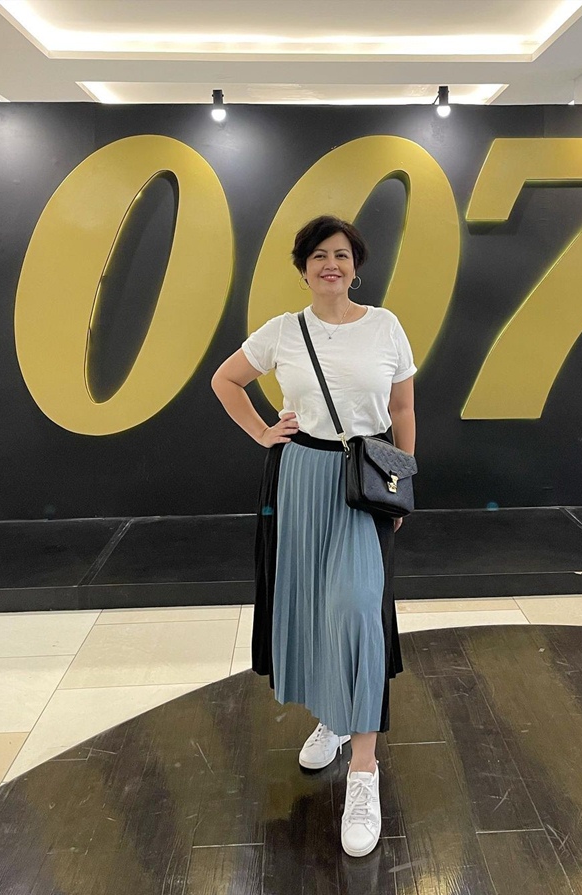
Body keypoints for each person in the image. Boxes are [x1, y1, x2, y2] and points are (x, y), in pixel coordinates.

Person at [211, 215, 416, 857]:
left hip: (363, 481)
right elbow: (225, 380)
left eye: (343, 255)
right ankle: (333, 715)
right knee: (313, 608)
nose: (332, 264)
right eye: (320, 255)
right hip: (301, 476)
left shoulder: (385, 326)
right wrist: (262, 431)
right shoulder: (282, 331)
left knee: (356, 611)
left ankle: (364, 772)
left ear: (357, 267)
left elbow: (403, 408)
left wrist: (402, 479)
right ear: (303, 268)